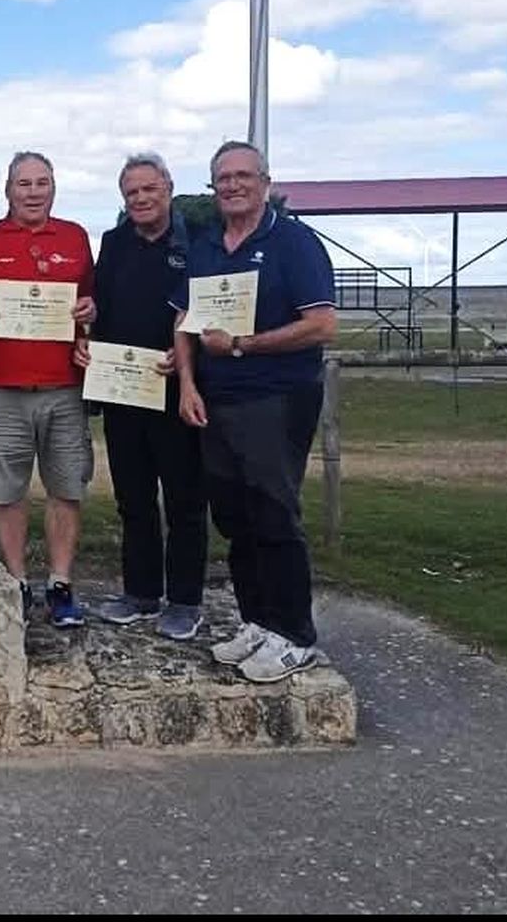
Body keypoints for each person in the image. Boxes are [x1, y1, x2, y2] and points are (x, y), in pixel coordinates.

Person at [173, 140, 337, 682]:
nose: (233, 185)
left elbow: (320, 325)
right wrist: (188, 385)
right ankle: (257, 621)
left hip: (276, 396)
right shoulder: (206, 246)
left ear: (264, 181)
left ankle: (295, 634)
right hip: (216, 400)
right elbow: (186, 323)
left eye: (244, 175)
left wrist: (245, 344)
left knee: (273, 512)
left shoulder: (294, 242)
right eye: (223, 178)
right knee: (234, 516)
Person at [0, 151, 97, 626]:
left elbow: (92, 301)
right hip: (3, 386)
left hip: (64, 386)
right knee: (7, 491)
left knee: (66, 487)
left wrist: (91, 313)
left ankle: (59, 584)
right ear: (7, 190)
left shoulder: (75, 237)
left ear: (54, 187)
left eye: (42, 183)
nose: (33, 192)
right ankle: (16, 582)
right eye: (24, 184)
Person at [78, 152, 208, 640]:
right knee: (133, 498)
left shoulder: (198, 243)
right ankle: (140, 592)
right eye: (131, 192)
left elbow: (205, 309)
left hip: (177, 389)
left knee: (184, 500)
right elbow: (100, 305)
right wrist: (89, 337)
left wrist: (187, 354)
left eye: (149, 189)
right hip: (122, 388)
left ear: (168, 188)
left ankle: (186, 600)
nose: (141, 198)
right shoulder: (113, 243)